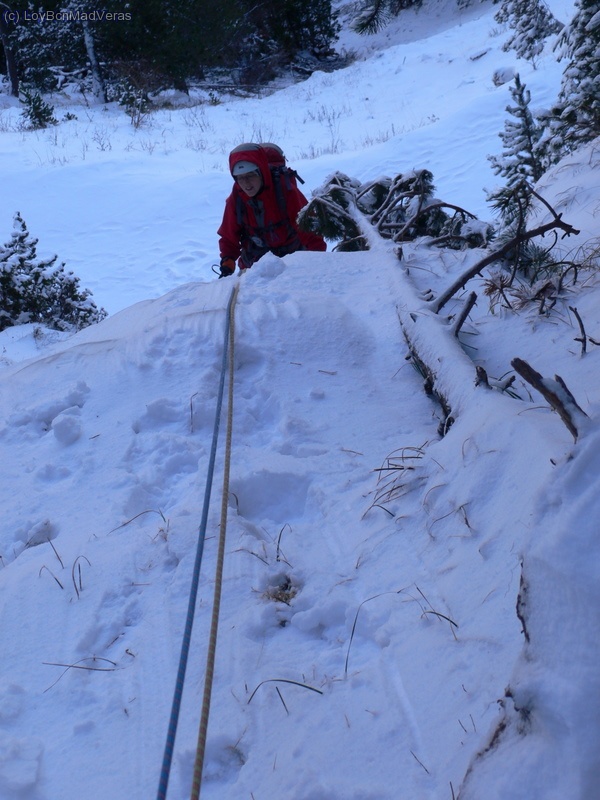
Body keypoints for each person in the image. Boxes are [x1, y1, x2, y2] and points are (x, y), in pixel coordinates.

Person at [217, 142, 326, 277]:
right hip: (254, 266)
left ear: (261, 172)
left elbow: (309, 229)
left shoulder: (285, 190)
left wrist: (317, 261)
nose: (245, 183)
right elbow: (229, 235)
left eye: (250, 175)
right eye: (240, 178)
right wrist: (228, 261)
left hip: (291, 262)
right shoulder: (237, 197)